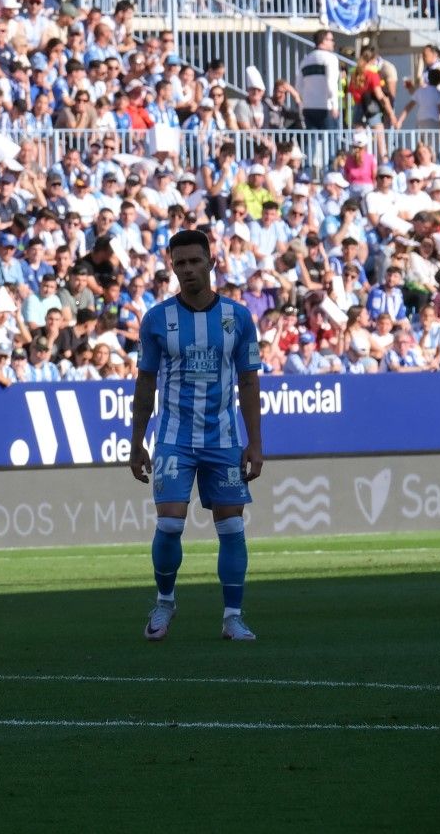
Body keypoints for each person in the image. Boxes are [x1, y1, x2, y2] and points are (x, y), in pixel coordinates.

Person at [128, 228, 263, 643]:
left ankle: (232, 617)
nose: (188, 269)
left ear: (211, 262)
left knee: (232, 530)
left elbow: (249, 382)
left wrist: (255, 442)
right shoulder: (156, 319)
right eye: (180, 263)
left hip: (223, 439)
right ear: (172, 266)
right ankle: (165, 602)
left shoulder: (237, 317)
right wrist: (137, 442)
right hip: (173, 439)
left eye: (195, 261)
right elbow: (145, 385)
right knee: (169, 524)